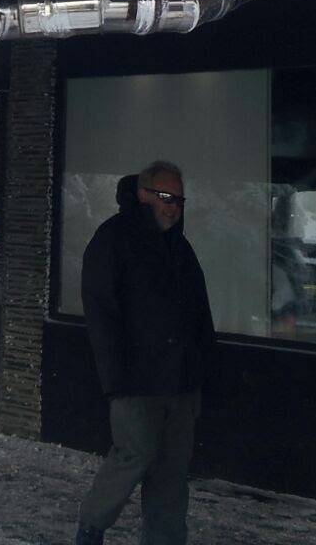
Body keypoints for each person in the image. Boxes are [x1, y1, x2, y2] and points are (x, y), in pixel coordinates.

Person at [75, 161, 216, 545]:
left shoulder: (180, 249)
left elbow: (199, 313)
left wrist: (202, 369)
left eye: (179, 200)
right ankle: (91, 528)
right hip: (135, 381)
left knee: (171, 473)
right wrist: (115, 380)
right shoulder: (114, 239)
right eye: (166, 197)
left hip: (181, 383)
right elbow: (101, 312)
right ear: (142, 194)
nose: (173, 207)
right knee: (132, 457)